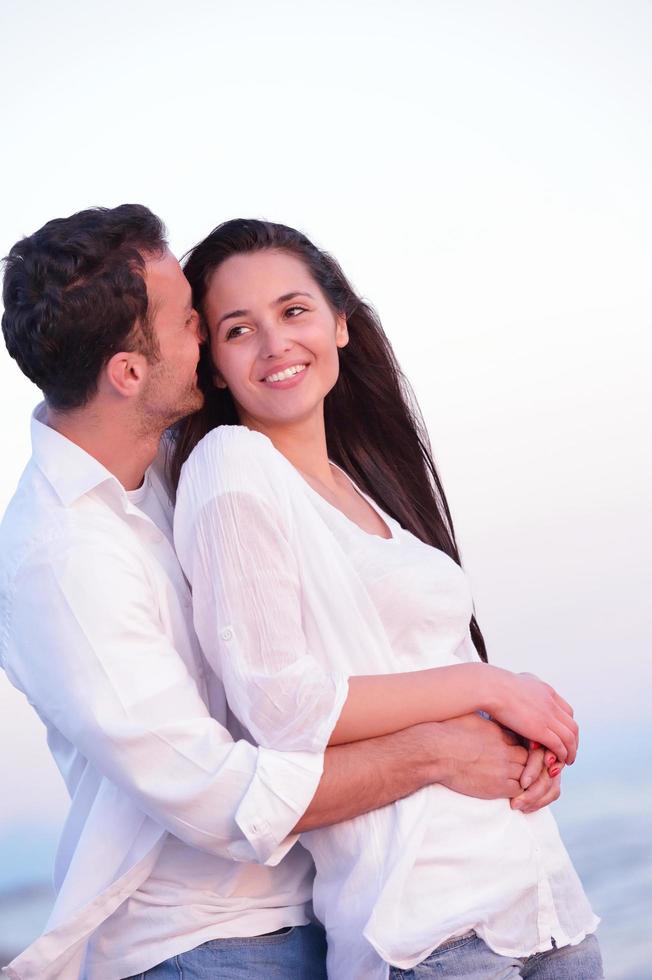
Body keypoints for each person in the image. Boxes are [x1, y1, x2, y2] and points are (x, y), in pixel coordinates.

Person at [0, 205, 555, 980]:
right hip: (205, 948)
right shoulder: (59, 561)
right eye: (198, 322)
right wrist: (436, 749)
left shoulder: (170, 469)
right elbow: (218, 797)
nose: (210, 334)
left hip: (322, 906)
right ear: (127, 374)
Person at [171, 218, 603, 979]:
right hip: (428, 932)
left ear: (340, 323)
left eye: (294, 311)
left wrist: (521, 744)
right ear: (212, 367)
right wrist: (490, 686)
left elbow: (417, 665)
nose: (275, 344)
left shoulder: (371, 491)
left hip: (538, 896)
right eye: (240, 329)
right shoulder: (230, 465)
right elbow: (282, 707)